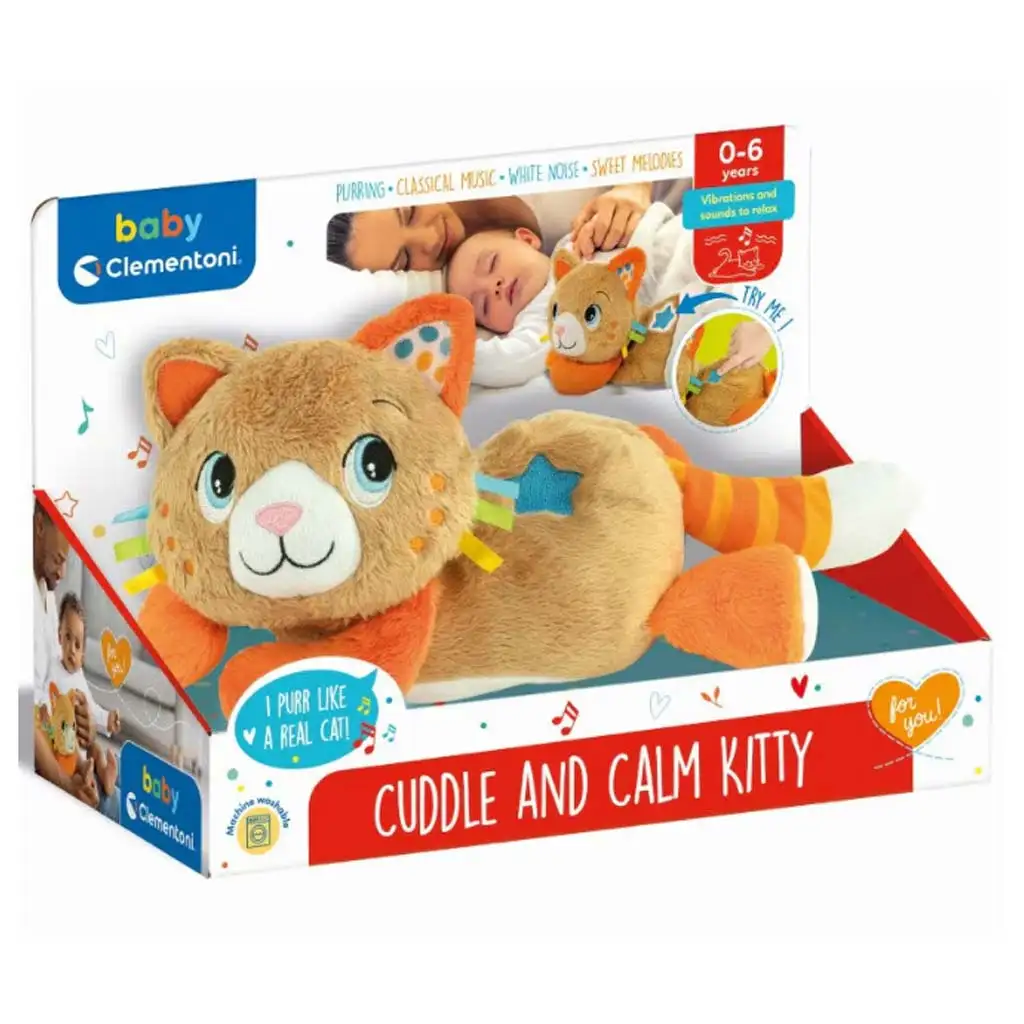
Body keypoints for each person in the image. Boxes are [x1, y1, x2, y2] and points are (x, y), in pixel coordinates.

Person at [327, 181, 669, 273]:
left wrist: (633, 184)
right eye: (404, 259)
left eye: (409, 212)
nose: (430, 238)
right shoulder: (478, 284)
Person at [32, 501, 119, 817]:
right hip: (45, 752)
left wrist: (91, 731)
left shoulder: (46, 591)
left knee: (116, 789)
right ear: (39, 525)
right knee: (113, 805)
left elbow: (59, 685)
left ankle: (100, 775)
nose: (63, 571)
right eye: (59, 558)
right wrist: (65, 784)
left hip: (59, 736)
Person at [36, 592, 122, 806]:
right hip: (65, 741)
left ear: (83, 653)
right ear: (59, 637)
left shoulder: (79, 677)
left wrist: (107, 720)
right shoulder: (53, 668)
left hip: (83, 742)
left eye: (77, 645)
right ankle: (87, 773)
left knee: (97, 749)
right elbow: (44, 695)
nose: (71, 650)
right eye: (67, 638)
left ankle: (106, 774)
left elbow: (91, 709)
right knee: (79, 752)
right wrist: (46, 711)